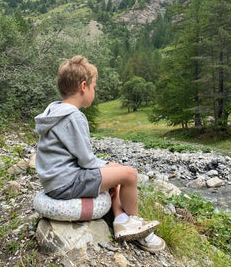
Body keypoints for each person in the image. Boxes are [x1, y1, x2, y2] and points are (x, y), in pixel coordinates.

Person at [35, 55, 165, 252]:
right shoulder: (73, 117)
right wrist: (109, 167)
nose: (94, 92)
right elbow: (86, 160)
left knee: (113, 173)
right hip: (66, 183)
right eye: (94, 87)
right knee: (128, 174)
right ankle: (134, 222)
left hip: (55, 181)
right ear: (83, 86)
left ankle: (121, 219)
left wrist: (107, 168)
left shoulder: (54, 111)